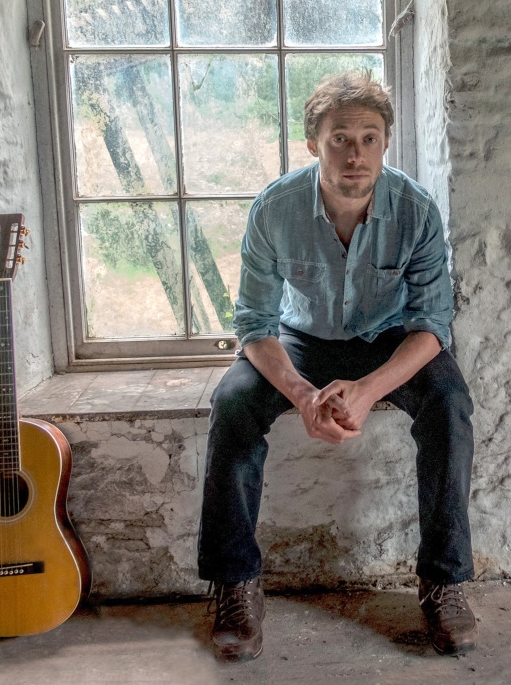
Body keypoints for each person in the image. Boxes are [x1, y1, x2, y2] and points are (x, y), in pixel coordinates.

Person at [197, 69, 477, 662]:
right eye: (340, 139)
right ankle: (235, 585)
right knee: (232, 404)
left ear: (386, 142)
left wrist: (369, 389)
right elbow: (254, 324)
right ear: (313, 144)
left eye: (370, 138)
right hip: (302, 340)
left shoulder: (416, 211)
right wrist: (303, 395)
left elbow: (432, 326)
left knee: (450, 404)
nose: (356, 154)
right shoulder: (275, 210)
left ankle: (443, 583)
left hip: (390, 339)